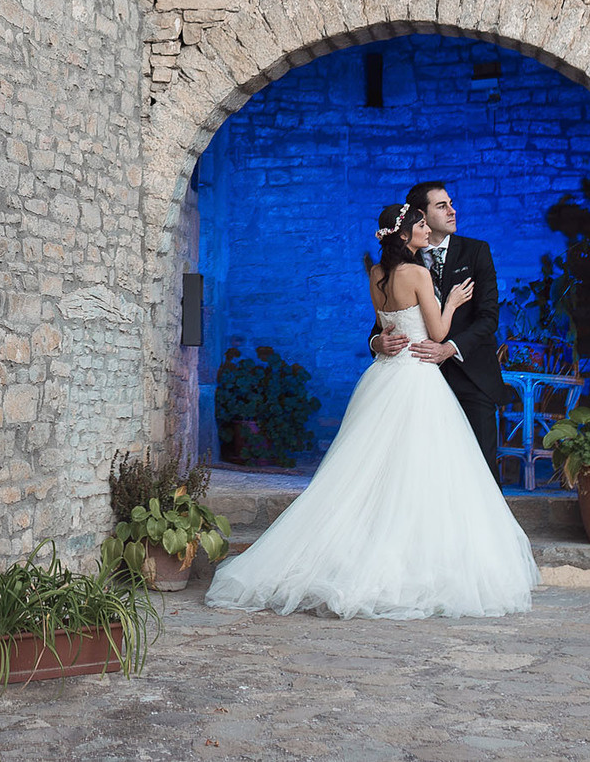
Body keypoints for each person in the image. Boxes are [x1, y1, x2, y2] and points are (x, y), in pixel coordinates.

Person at [205, 204, 537, 619]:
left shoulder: (376, 275)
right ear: (403, 236)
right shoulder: (415, 274)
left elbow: (383, 328)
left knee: (374, 468)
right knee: (418, 470)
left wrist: (381, 342)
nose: (425, 229)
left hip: (384, 378)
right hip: (416, 377)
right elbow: (436, 333)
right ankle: (410, 560)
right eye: (419, 225)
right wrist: (450, 301)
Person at [371, 181, 504, 482]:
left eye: (451, 203)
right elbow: (385, 321)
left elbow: (488, 316)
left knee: (481, 470)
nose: (452, 211)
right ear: (420, 215)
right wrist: (377, 341)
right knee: (418, 470)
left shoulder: (476, 251)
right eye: (441, 206)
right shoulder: (402, 259)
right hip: (416, 382)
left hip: (470, 373)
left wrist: (450, 347)